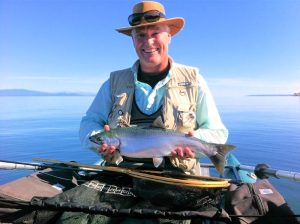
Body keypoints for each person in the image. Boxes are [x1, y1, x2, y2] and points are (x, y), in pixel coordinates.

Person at [79, 1, 228, 175]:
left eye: (155, 33)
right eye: (140, 35)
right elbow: (88, 126)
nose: (148, 42)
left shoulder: (195, 81)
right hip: (120, 173)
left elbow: (217, 132)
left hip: (176, 176)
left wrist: (195, 142)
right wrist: (102, 143)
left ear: (169, 36)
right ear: (133, 39)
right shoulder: (112, 83)